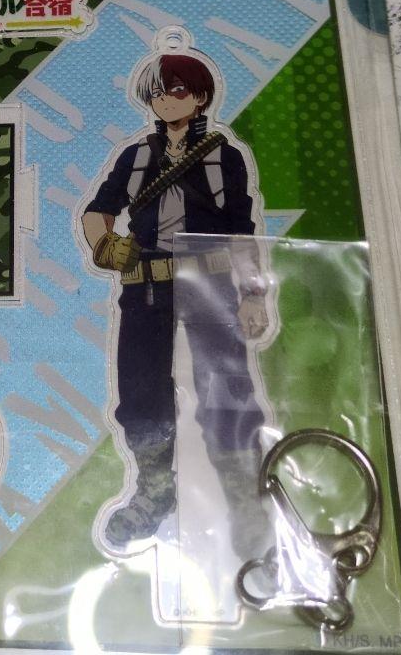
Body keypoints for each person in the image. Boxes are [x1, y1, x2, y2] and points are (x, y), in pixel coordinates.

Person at [80, 36, 270, 558]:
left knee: (226, 387)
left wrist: (253, 294)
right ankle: (155, 490)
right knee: (141, 390)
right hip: (146, 284)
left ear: (201, 97)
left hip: (209, 283)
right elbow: (98, 211)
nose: (166, 101)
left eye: (178, 91)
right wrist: (105, 245)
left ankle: (244, 500)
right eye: (158, 93)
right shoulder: (137, 156)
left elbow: (241, 232)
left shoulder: (223, 157)